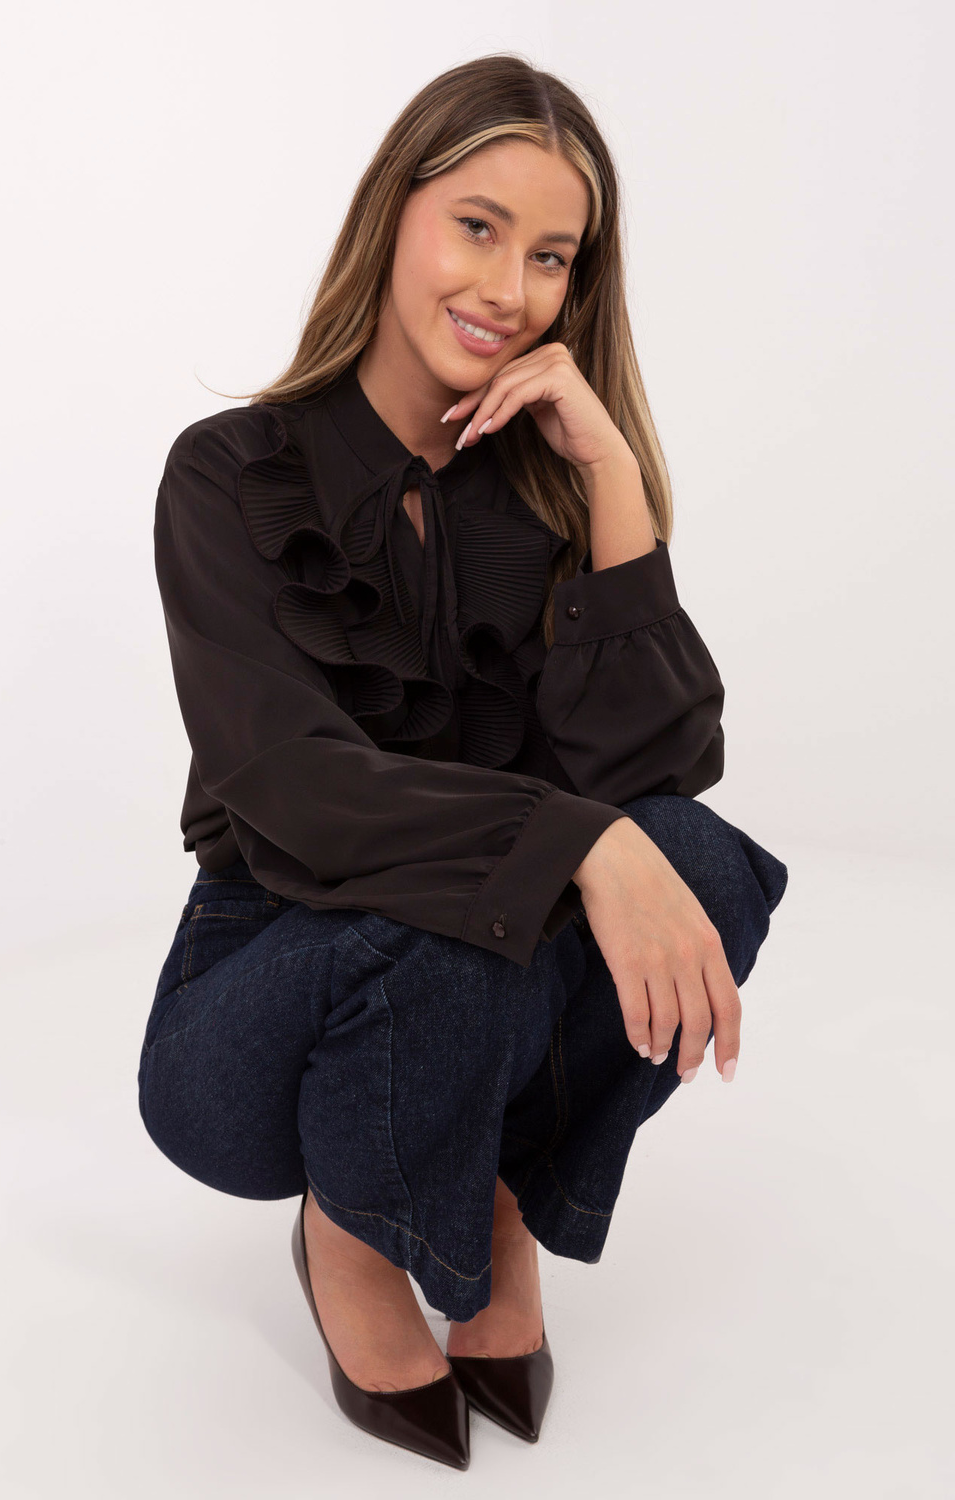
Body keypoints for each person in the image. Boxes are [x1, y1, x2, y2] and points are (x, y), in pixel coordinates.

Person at [138, 53, 789, 1468]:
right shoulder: (230, 474)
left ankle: (493, 1194)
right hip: (261, 994)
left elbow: (667, 767)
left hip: (473, 984)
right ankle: (352, 1229)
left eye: (551, 255)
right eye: (478, 227)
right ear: (395, 215)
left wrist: (611, 477)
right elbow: (296, 783)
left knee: (697, 863)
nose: (510, 287)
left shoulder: (544, 491)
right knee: (464, 910)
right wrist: (580, 842)